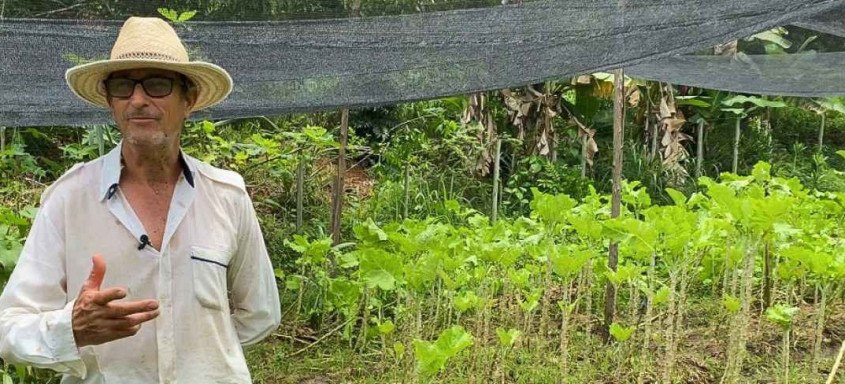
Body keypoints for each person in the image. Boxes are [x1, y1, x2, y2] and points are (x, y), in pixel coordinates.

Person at [0, 17, 281, 383]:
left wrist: (203, 357)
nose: (137, 99)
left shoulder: (226, 196)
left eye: (157, 84)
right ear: (110, 101)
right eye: (122, 86)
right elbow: (9, 327)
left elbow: (260, 312)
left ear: (189, 100)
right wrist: (71, 329)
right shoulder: (69, 199)